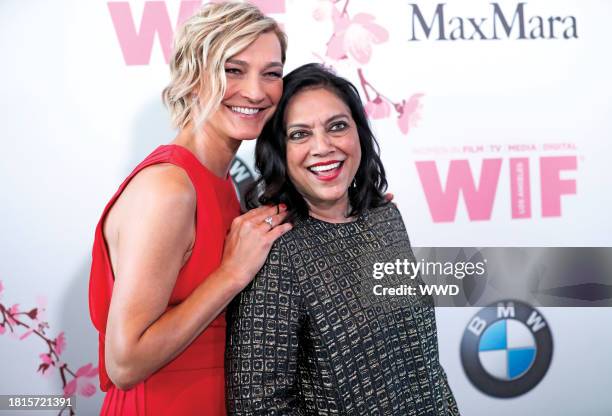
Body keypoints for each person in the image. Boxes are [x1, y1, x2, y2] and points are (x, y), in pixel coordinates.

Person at [88, 3, 291, 415]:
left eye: (271, 72)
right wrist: (232, 274)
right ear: (193, 76)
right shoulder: (169, 188)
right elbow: (125, 362)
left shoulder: (224, 181)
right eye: (233, 70)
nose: (256, 91)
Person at [225, 63, 460, 415]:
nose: (323, 147)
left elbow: (422, 361)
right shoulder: (276, 247)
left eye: (337, 127)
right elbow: (258, 405)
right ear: (280, 151)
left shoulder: (385, 218)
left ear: (358, 135)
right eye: (300, 134)